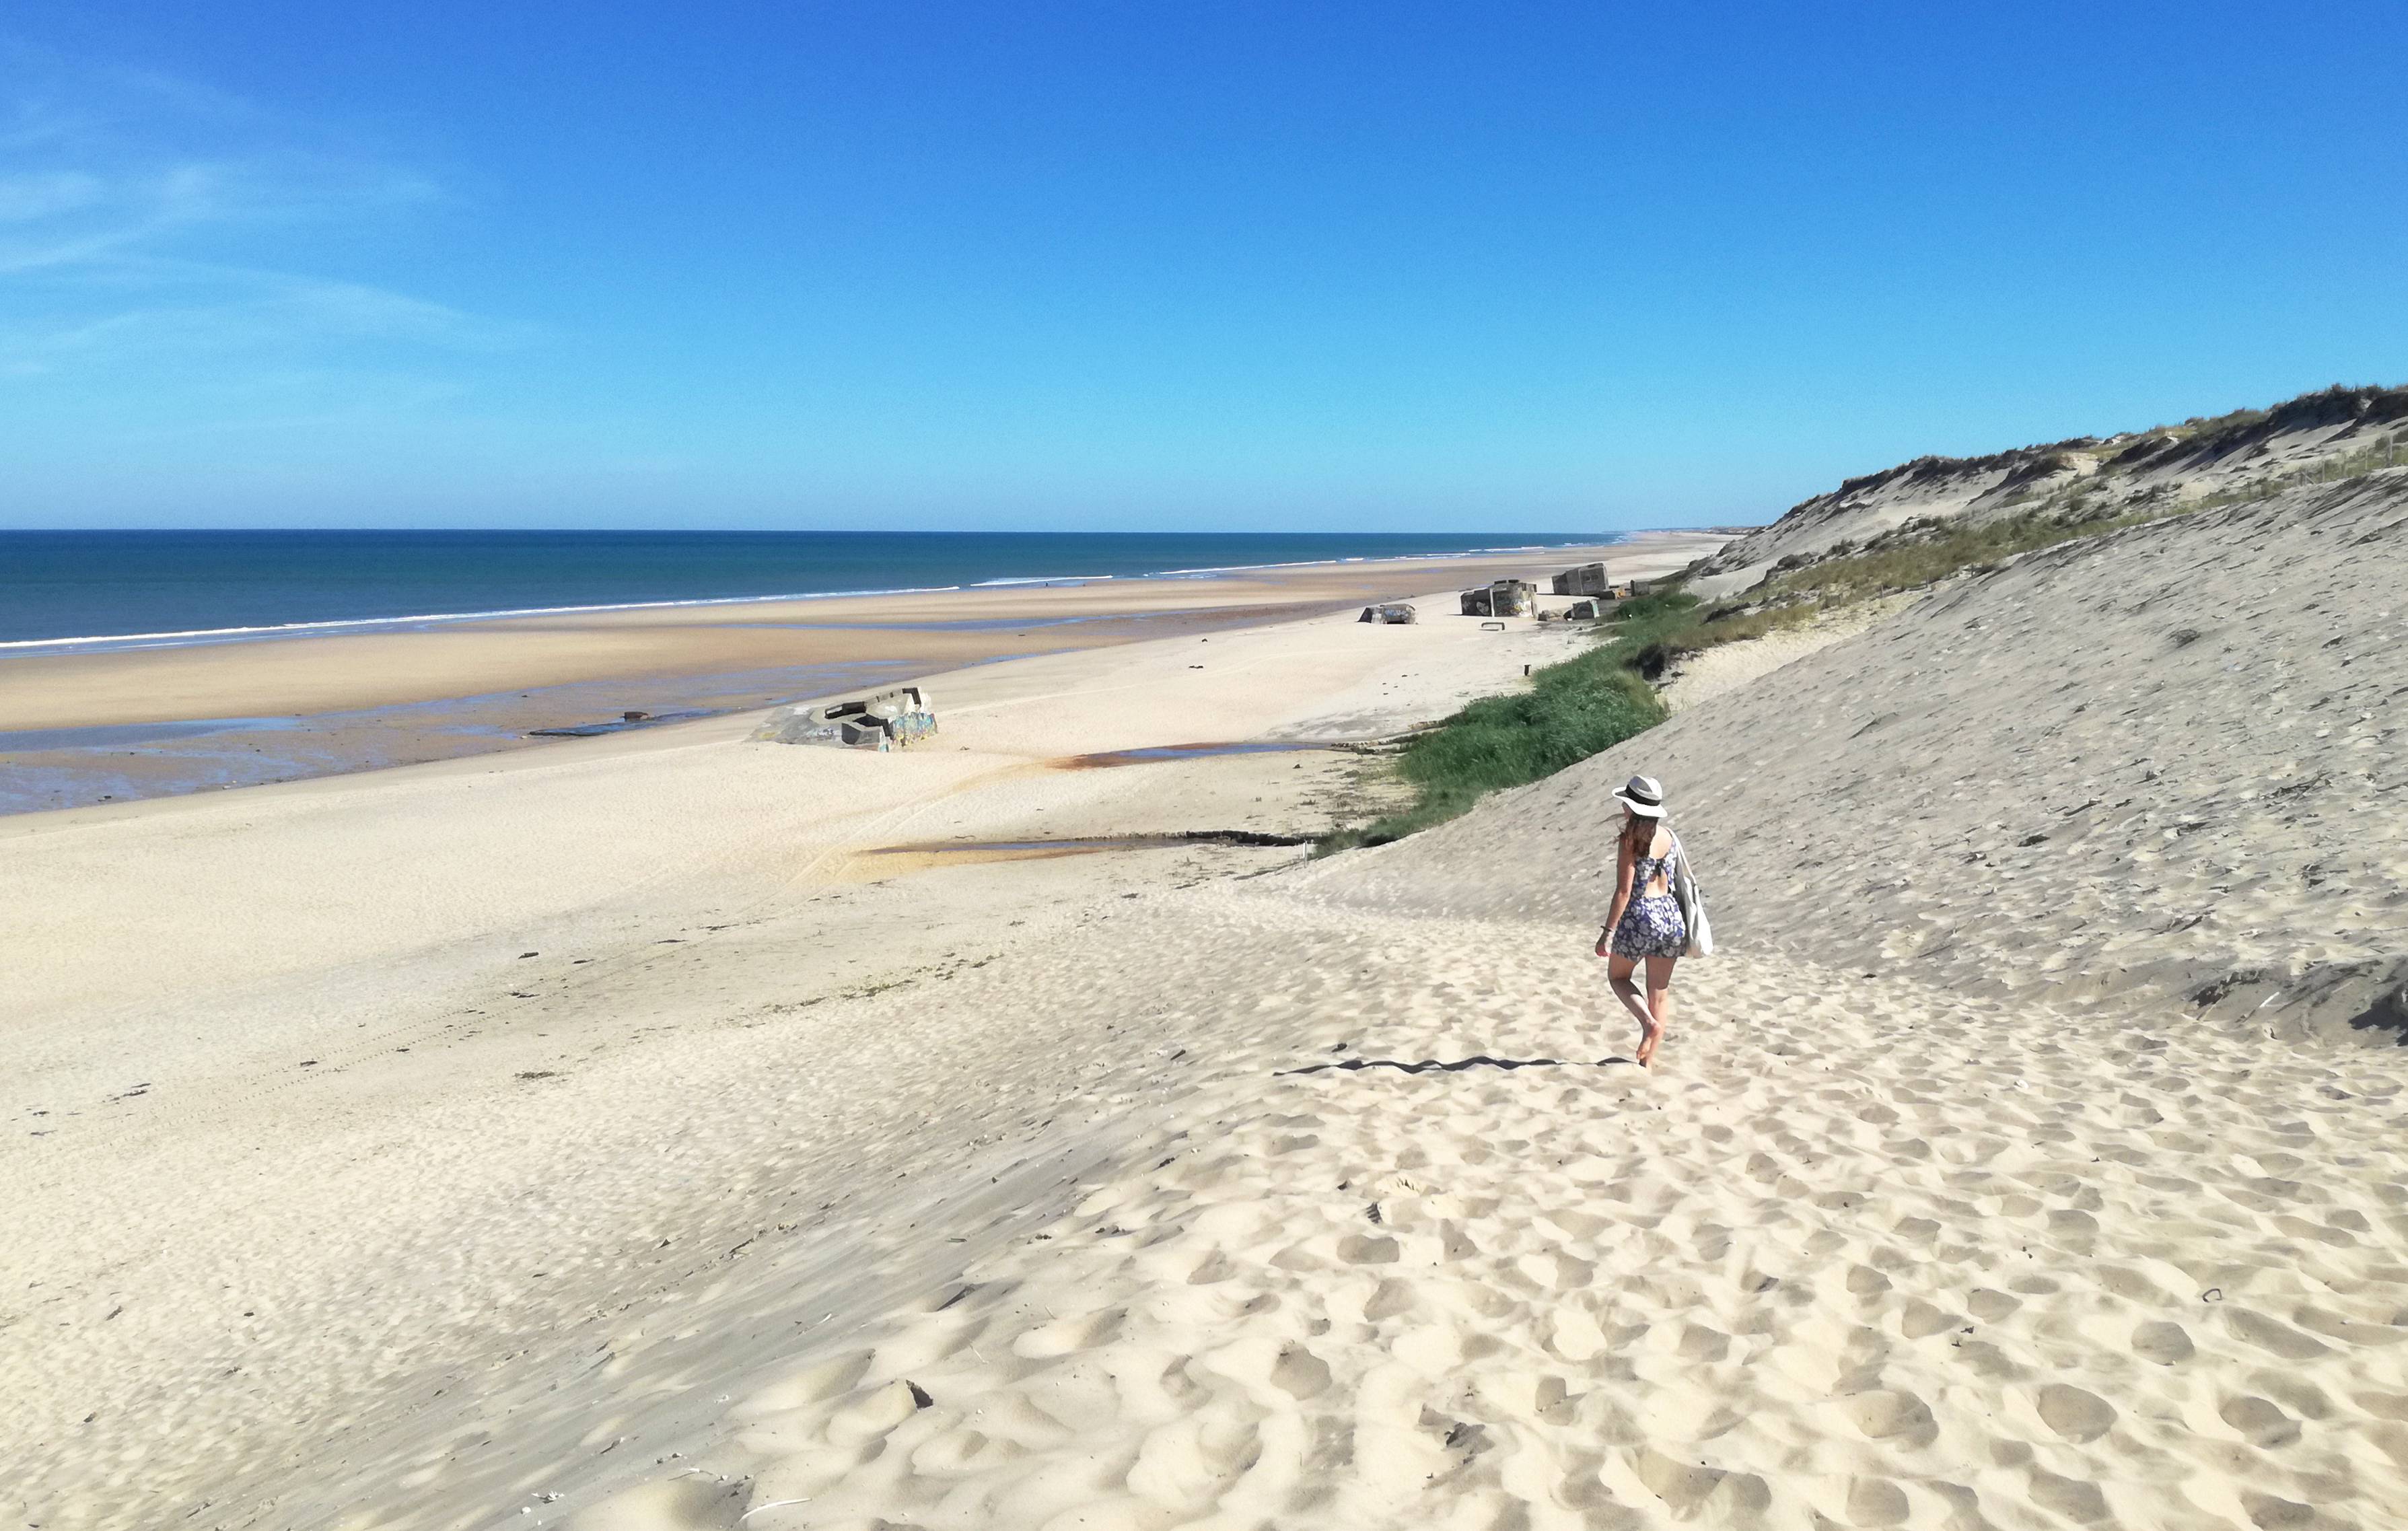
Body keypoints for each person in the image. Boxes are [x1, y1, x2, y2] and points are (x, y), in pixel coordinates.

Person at [1594, 774, 1685, 1067]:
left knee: (1618, 977)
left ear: (1632, 808)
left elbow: (1623, 891)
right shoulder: (1669, 836)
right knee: (1659, 991)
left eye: (1626, 804)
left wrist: (1608, 933)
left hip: (1641, 916)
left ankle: (1648, 1023)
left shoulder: (1631, 840)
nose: (1623, 808)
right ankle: (1648, 1062)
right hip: (1671, 916)